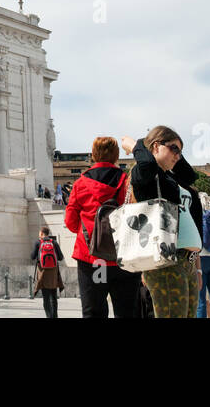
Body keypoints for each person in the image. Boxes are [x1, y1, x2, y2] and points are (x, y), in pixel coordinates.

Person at [121, 127, 202, 318]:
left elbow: (190, 175)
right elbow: (148, 164)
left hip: (187, 261)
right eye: (174, 149)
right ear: (156, 146)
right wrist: (137, 145)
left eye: (180, 151)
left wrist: (197, 268)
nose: (178, 156)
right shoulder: (144, 175)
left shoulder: (172, 178)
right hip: (167, 261)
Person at [64, 135, 141, 318]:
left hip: (92, 258)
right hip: (123, 258)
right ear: (116, 156)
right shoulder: (127, 182)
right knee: (128, 312)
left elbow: (71, 222)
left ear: (93, 155)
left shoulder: (80, 183)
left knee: (93, 311)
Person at [32, 225, 65, 318]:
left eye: (39, 233)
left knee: (46, 298)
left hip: (43, 274)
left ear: (42, 233)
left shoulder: (38, 243)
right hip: (53, 274)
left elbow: (32, 256)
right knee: (53, 297)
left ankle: (49, 316)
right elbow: (61, 257)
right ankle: (55, 316)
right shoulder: (54, 242)